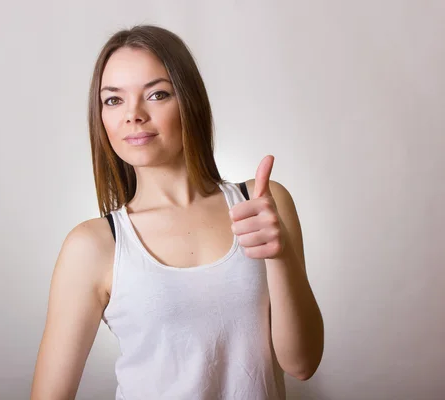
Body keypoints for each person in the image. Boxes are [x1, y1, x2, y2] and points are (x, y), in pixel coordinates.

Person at [30, 24, 324, 400]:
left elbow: (302, 364)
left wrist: (279, 255)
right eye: (113, 100)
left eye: (157, 94)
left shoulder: (263, 204)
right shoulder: (93, 245)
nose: (133, 115)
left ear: (189, 101)